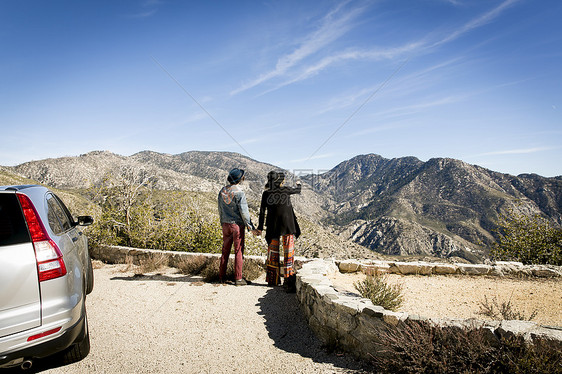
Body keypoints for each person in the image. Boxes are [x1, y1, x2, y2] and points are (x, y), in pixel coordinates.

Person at [257, 171, 301, 292]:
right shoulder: (285, 190)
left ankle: (272, 280)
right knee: (288, 252)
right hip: (288, 225)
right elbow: (298, 191)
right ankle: (288, 280)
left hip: (273, 226)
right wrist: (299, 184)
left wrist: (260, 228)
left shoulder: (266, 193)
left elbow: (262, 212)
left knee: (273, 252)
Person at [218, 168, 257, 286]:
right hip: (237, 225)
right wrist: (251, 227)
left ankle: (221, 276)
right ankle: (238, 279)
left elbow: (220, 209)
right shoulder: (239, 193)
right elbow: (244, 213)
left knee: (225, 251)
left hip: (225, 224)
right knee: (238, 251)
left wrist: (222, 222)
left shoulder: (222, 191)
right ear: (240, 179)